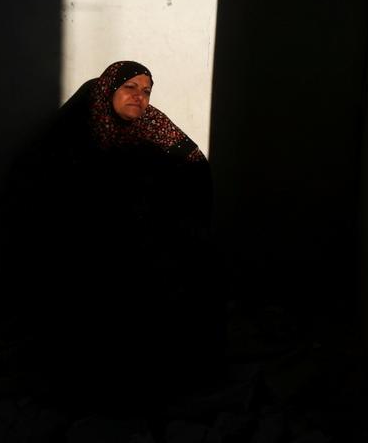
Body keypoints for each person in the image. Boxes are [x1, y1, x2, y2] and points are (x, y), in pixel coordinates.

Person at [19, 60, 220, 405]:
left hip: (146, 236)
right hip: (85, 242)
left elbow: (195, 166)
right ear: (109, 89)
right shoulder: (77, 130)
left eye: (146, 91)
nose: (139, 97)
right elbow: (48, 197)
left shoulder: (153, 124)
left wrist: (176, 210)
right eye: (130, 87)